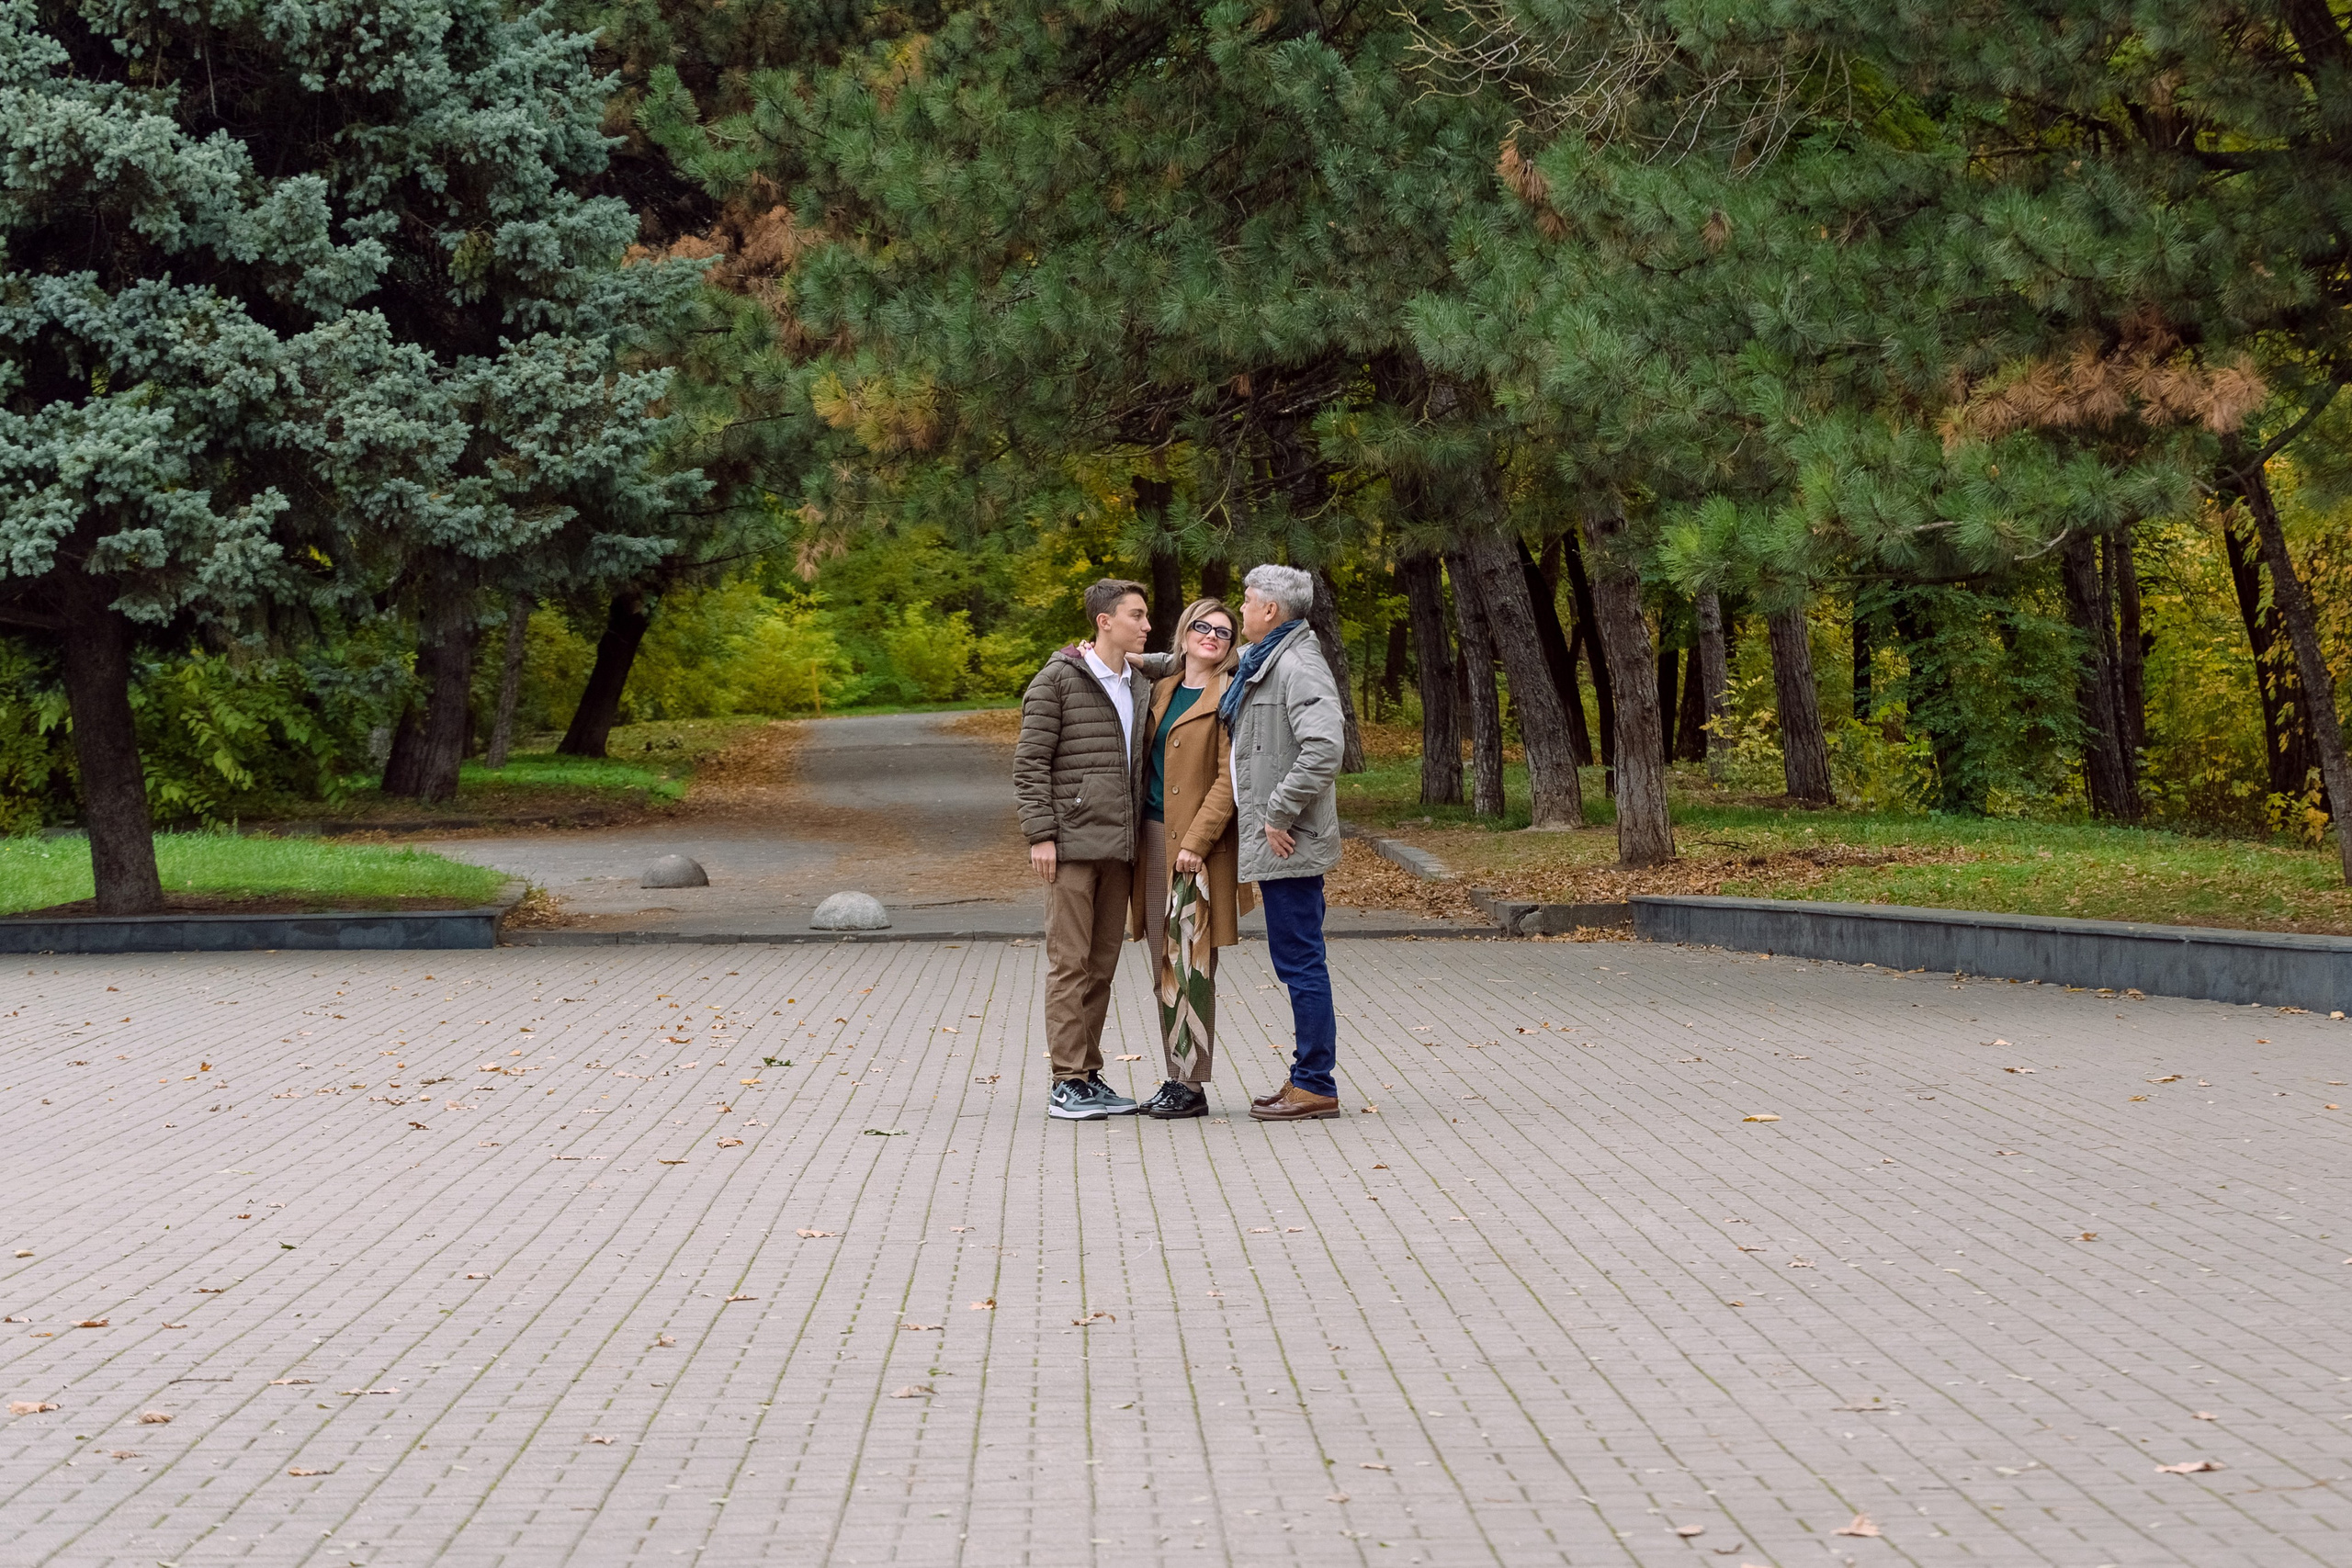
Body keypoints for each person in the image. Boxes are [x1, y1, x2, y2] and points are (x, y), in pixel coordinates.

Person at [1014, 578, 1154, 1121]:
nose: (1146, 626)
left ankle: (1088, 1075)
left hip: (1119, 846)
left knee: (1101, 965)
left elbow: (1193, 655)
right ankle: (1065, 1082)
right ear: (1105, 620)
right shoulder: (1057, 681)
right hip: (1069, 844)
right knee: (1068, 965)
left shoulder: (1138, 681)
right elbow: (1030, 765)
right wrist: (1041, 834)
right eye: (1136, 616)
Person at [1221, 565, 1346, 1122]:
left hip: (1290, 841)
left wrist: (1277, 811)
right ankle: (1305, 1077)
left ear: (1270, 610)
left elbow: (1324, 747)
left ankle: (1316, 1084)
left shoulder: (1296, 664)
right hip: (1283, 840)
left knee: (1300, 963)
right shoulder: (1266, 661)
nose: (1240, 610)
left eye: (1246, 602)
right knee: (1296, 961)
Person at [1132, 599, 1254, 1120]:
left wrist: (1197, 843)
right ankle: (1176, 1076)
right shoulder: (1161, 687)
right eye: (1201, 627)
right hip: (1152, 839)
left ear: (1232, 646)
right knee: (1166, 963)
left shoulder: (1232, 693)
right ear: (1183, 635)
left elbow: (1232, 777)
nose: (1212, 636)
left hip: (1194, 849)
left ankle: (1190, 1085)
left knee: (1191, 964)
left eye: (1224, 632)